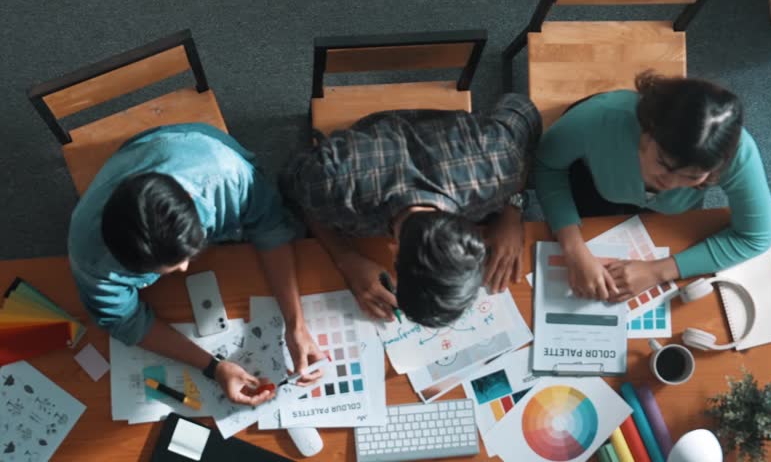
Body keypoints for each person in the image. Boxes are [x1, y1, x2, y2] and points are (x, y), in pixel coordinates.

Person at [68, 123, 323, 406]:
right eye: (163, 270)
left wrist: (295, 324)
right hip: (141, 156)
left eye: (185, 257)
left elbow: (270, 227)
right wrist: (213, 367)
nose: (184, 270)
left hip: (192, 145)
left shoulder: (226, 175)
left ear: (189, 202)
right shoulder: (89, 254)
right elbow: (122, 320)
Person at [280, 94, 542, 327]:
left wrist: (512, 210)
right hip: (364, 146)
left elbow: (523, 108)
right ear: (393, 253)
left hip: (453, 144)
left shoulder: (499, 165)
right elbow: (290, 185)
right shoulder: (330, 182)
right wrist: (345, 258)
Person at [534, 71, 771, 302]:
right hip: (592, 181)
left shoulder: (739, 154)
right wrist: (573, 248)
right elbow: (547, 164)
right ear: (647, 132)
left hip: (662, 213)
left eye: (692, 177)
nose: (669, 183)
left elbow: (756, 237)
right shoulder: (598, 118)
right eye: (663, 163)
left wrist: (658, 271)